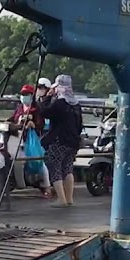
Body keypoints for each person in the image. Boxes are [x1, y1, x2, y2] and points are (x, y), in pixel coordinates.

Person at [38, 73, 82, 206]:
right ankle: (69, 199)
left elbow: (44, 112)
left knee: (54, 164)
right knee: (68, 168)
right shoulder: (76, 104)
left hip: (60, 140)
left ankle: (61, 199)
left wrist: (46, 97)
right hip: (73, 141)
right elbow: (79, 125)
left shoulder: (60, 103)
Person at [10, 84, 51, 197]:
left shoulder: (36, 109)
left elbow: (41, 124)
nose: (24, 97)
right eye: (22, 94)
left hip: (32, 139)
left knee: (38, 162)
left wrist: (33, 124)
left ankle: (47, 186)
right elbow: (11, 119)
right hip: (18, 138)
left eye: (26, 95)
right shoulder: (19, 108)